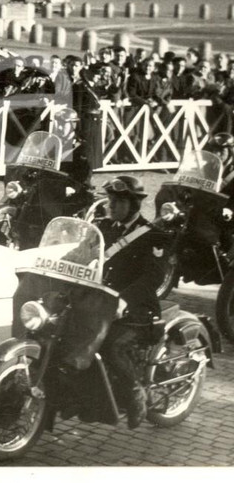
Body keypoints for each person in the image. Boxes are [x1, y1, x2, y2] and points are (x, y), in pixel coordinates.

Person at [92, 176, 171, 429]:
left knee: (112, 345)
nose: (110, 205)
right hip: (99, 300)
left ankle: (137, 392)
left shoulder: (153, 235)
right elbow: (79, 253)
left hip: (136, 309)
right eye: (110, 200)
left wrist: (124, 300)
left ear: (134, 204)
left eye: (117, 201)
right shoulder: (103, 227)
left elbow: (153, 277)